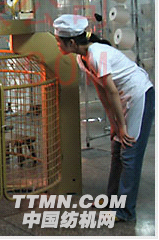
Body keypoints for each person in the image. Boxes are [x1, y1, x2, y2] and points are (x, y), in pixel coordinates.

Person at [53, 14, 154, 222]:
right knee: (117, 150)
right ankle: (111, 201)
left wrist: (122, 126)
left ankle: (125, 211)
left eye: (58, 41)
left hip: (139, 95)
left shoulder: (97, 54)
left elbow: (112, 92)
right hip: (124, 98)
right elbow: (102, 92)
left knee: (129, 151)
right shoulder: (82, 58)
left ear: (71, 43)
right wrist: (114, 124)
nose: (57, 45)